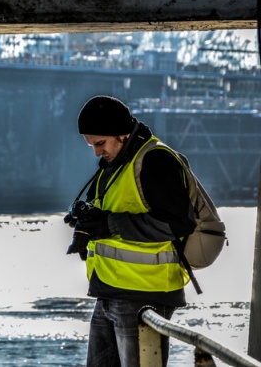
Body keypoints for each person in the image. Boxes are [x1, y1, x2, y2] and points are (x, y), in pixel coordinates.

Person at [65, 95, 197, 366]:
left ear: (123, 135)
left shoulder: (155, 161)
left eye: (100, 143)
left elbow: (178, 223)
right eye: (91, 145)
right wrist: (89, 223)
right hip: (109, 290)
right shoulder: (115, 165)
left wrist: (110, 224)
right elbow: (110, 210)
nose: (96, 152)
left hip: (144, 295)